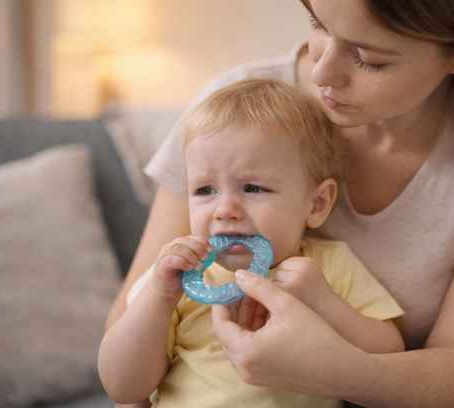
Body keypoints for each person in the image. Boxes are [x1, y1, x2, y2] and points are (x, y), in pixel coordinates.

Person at [105, 1, 454, 406]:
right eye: (318, 24)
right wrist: (155, 306)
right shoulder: (230, 114)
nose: (322, 74)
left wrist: (332, 369)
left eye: (369, 58)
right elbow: (125, 365)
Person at [98, 79, 405, 408]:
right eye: (204, 190)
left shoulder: (327, 267)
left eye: (253, 188)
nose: (224, 210)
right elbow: (122, 388)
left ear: (316, 204)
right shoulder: (175, 277)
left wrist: (324, 303)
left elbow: (389, 355)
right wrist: (160, 296)